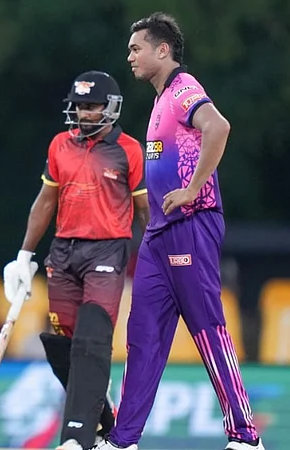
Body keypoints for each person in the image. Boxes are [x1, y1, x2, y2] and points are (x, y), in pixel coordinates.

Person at [95, 12, 264, 450]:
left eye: (136, 48)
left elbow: (218, 128)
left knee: (208, 329)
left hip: (191, 225)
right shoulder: (159, 100)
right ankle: (123, 440)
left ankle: (245, 436)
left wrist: (192, 190)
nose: (129, 56)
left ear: (162, 50)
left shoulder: (183, 88)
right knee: (142, 337)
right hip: (159, 233)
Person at [3, 71, 148, 450]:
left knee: (92, 338)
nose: (84, 114)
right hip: (63, 252)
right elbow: (46, 201)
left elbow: (145, 209)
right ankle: (104, 423)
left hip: (107, 249)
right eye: (80, 106)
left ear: (111, 108)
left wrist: (156, 257)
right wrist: (23, 254)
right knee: (62, 346)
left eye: (92, 106)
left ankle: (76, 437)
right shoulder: (59, 145)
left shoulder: (129, 149)